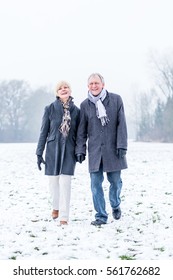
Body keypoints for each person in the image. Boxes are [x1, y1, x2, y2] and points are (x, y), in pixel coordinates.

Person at [75, 73, 128, 226]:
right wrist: (80, 149)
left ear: (103, 84)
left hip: (114, 149)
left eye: (96, 83)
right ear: (88, 86)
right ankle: (101, 216)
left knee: (116, 182)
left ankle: (115, 204)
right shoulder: (85, 105)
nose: (94, 86)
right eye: (91, 83)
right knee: (95, 185)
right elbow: (81, 131)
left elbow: (121, 124)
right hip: (95, 151)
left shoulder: (116, 99)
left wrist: (122, 145)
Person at [36, 81, 80, 225]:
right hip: (53, 148)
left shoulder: (77, 111)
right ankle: (55, 206)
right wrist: (39, 153)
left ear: (70, 90)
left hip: (69, 149)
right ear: (57, 92)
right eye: (60, 88)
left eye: (66, 87)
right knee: (53, 182)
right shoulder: (49, 109)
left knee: (65, 182)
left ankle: (64, 216)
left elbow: (80, 134)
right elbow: (43, 132)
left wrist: (80, 150)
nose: (63, 89)